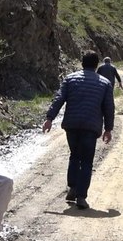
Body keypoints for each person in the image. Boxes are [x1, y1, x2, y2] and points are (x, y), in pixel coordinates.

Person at [42, 50, 115, 209]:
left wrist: (49, 118)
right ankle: (81, 196)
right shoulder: (104, 83)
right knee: (87, 160)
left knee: (74, 156)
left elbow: (59, 99)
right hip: (91, 126)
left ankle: (73, 187)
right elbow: (109, 108)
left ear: (82, 63)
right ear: (97, 65)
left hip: (72, 124)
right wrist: (108, 129)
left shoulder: (70, 79)